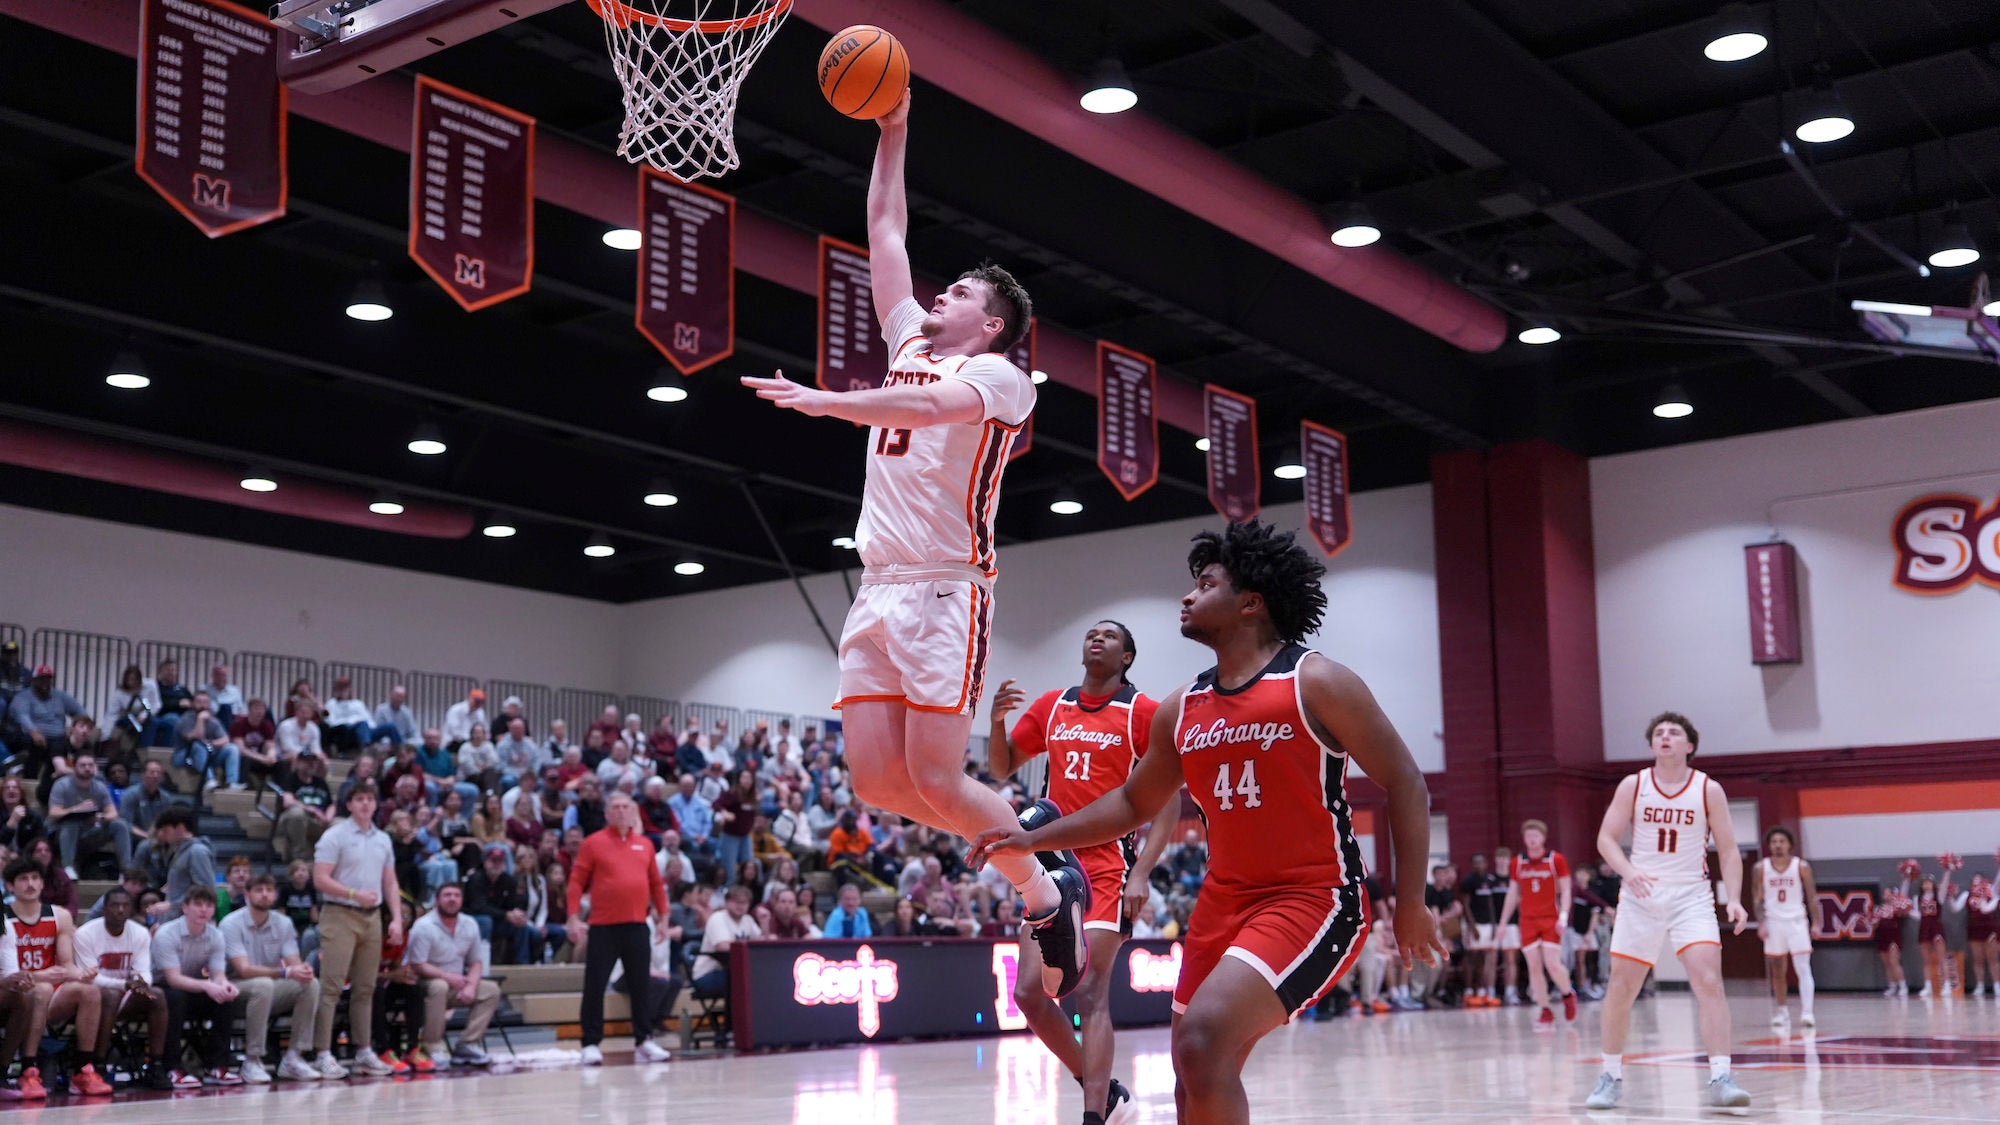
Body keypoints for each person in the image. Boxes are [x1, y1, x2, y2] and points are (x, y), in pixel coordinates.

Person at [741, 89, 1085, 992]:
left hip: (945, 586)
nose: (941, 294)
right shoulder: (911, 340)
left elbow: (928, 408)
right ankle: (1016, 834)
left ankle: (1048, 892)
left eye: (962, 292)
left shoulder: (1004, 378)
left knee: (939, 777)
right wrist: (893, 133)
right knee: (879, 786)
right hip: (878, 584)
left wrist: (829, 401)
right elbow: (885, 232)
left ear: (994, 322)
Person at [972, 520, 1444, 1125]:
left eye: (1205, 583)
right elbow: (1129, 806)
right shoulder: (1182, 706)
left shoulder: (1316, 682)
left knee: (1202, 1043)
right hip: (1222, 902)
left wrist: (1411, 903)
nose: (1188, 597)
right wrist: (1032, 839)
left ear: (1250, 602)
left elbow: (1406, 781)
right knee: (1190, 1083)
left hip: (1313, 897)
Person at [987, 619, 1182, 1125]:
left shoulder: (1144, 713)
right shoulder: (1054, 704)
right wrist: (997, 722)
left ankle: (1093, 1115)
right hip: (1051, 861)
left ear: (1127, 658)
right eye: (1092, 633)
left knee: (1092, 993)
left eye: (1110, 636)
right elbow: (1003, 766)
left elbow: (1166, 806)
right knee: (1029, 994)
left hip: (1108, 865)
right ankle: (1105, 1090)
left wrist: (1141, 872)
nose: (1097, 639)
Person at [1583, 712, 1752, 1110]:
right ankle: (1610, 1075)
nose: (1665, 737)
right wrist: (1628, 871)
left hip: (1691, 894)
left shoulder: (1708, 788)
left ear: (1689, 745)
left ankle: (1721, 1076)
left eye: (1674, 732)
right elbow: (1606, 838)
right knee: (1622, 988)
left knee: (1709, 980)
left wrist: (1735, 898)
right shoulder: (1633, 784)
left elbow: (1728, 848)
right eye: (1658, 733)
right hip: (1642, 895)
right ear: (1651, 745)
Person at [567, 791, 672, 1066]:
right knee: (595, 985)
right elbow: (577, 882)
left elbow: (656, 885)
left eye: (626, 807)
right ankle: (590, 1042)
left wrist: (663, 919)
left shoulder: (646, 845)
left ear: (634, 813)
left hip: (637, 925)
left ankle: (644, 1040)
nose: (622, 811)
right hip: (603, 928)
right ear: (607, 813)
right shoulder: (593, 843)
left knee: (641, 985)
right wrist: (573, 917)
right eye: (616, 807)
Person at [310, 780, 402, 1078]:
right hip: (339, 913)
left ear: (376, 804)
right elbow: (320, 879)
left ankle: (364, 1051)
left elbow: (389, 881)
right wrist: (352, 894)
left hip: (372, 917)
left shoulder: (383, 839)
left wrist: (397, 919)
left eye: (369, 799)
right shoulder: (334, 835)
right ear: (349, 804)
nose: (365, 804)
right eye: (359, 799)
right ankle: (322, 1053)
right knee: (332, 987)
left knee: (366, 988)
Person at [4, 856, 113, 1097]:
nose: (30, 884)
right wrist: (41, 976)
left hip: (49, 993)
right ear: (10, 886)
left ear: (43, 883)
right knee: (40, 990)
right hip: (15, 994)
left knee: (90, 990)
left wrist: (83, 973)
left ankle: (83, 1070)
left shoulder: (59, 916)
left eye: (35, 878)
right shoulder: (4, 917)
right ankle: (29, 1071)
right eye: (23, 879)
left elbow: (65, 966)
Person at [221, 872, 321, 1082]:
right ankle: (252, 1060)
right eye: (258, 890)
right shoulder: (231, 923)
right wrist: (285, 972)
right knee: (264, 985)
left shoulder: (283, 922)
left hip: (269, 988)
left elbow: (294, 962)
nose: (265, 895)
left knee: (310, 984)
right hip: (234, 990)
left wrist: (303, 970)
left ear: (275, 895)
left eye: (269, 890)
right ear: (247, 895)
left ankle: (294, 1058)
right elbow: (243, 970)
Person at [70, 887, 173, 1090]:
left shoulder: (140, 933)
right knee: (110, 994)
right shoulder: (85, 933)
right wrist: (124, 984)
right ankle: (97, 1064)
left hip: (126, 995)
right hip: (93, 999)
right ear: (104, 909)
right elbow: (90, 977)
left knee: (158, 995)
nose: (120, 910)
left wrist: (142, 982)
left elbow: (144, 971)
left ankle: (156, 1065)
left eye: (125, 905)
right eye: (114, 905)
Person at [153, 884, 245, 1087]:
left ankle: (216, 1067)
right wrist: (208, 986)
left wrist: (225, 986)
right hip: (159, 990)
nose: (204, 910)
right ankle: (172, 1068)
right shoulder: (167, 933)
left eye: (209, 905)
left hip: (193, 987)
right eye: (198, 904)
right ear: (185, 907)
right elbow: (173, 979)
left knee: (224, 999)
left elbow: (218, 974)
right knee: (176, 997)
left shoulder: (216, 935)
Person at [405, 884, 501, 1068]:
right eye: (447, 895)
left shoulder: (470, 923)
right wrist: (446, 976)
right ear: (437, 900)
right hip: (424, 984)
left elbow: (476, 962)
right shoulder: (424, 926)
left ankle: (468, 1044)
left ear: (462, 900)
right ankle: (432, 1045)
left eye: (456, 895)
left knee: (490, 990)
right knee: (439, 986)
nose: (452, 899)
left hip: (456, 983)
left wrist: (471, 986)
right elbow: (417, 964)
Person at [1496, 819, 1577, 1025]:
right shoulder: (1518, 862)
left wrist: (1564, 916)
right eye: (1528, 836)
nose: (1532, 840)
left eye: (1536, 836)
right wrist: (1503, 922)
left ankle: (1567, 994)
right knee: (1533, 967)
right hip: (1527, 920)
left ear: (1543, 838)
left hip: (1550, 918)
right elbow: (1513, 894)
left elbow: (1567, 889)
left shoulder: (1555, 859)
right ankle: (1544, 1008)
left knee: (1552, 964)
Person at [1753, 826, 1817, 1028]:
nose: (1778, 845)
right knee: (1777, 970)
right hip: (1773, 922)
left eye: (1782, 841)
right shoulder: (1760, 868)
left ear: (1790, 844)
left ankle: (1807, 1012)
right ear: (1769, 845)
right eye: (1774, 841)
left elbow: (1812, 896)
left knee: (1803, 968)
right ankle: (1782, 1012)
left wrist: (1817, 922)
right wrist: (1761, 921)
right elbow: (1757, 899)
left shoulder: (1801, 866)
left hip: (1797, 921)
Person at [45, 753, 132, 878]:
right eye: (83, 765)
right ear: (74, 767)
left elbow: (113, 812)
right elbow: (53, 813)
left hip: (89, 833)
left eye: (90, 765)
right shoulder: (62, 785)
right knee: (72, 824)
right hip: (62, 834)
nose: (87, 768)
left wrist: (101, 817)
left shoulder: (100, 787)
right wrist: (76, 809)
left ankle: (126, 870)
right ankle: (68, 867)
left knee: (119, 824)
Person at [146, 803, 214, 922]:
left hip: (187, 921)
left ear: (180, 827)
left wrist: (172, 904)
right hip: (176, 919)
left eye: (166, 829)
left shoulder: (197, 852)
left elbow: (206, 890)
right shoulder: (180, 852)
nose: (164, 834)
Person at [692, 884, 761, 996]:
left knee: (759, 976)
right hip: (708, 975)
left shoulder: (748, 920)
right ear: (727, 902)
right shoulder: (717, 918)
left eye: (744, 902)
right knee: (746, 979)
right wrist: (749, 946)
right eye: (737, 902)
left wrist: (765, 923)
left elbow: (761, 944)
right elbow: (722, 946)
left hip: (735, 972)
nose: (741, 906)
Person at [1457, 853, 1506, 1006]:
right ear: (1473, 865)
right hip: (1474, 924)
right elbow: (1465, 905)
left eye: (1482, 862)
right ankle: (1468, 989)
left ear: (1486, 864)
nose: (1480, 865)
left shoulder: (1490, 880)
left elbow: (1491, 903)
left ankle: (1480, 989)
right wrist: (1472, 927)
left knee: (1483, 958)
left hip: (1487, 923)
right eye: (1476, 863)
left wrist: (1493, 925)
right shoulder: (1468, 881)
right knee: (1471, 956)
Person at [275, 750, 336, 863]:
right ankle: (299, 857)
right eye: (306, 761)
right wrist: (312, 810)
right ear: (298, 763)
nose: (310, 764)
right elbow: (288, 802)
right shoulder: (290, 779)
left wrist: (328, 817)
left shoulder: (320, 782)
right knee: (296, 813)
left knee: (341, 823)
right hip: (294, 820)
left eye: (313, 761)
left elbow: (331, 805)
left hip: (318, 821)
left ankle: (334, 861)